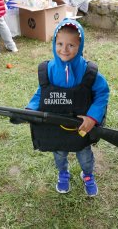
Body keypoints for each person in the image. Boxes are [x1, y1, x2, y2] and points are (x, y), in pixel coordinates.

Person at [26, 18, 109, 197]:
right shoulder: (48, 69)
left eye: (71, 45)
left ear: (80, 46)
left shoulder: (89, 72)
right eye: (60, 43)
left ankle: (87, 175)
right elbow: (42, 92)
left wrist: (93, 117)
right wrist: (30, 110)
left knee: (85, 156)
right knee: (59, 154)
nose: (64, 49)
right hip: (57, 128)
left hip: (81, 127)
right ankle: (63, 174)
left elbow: (102, 94)